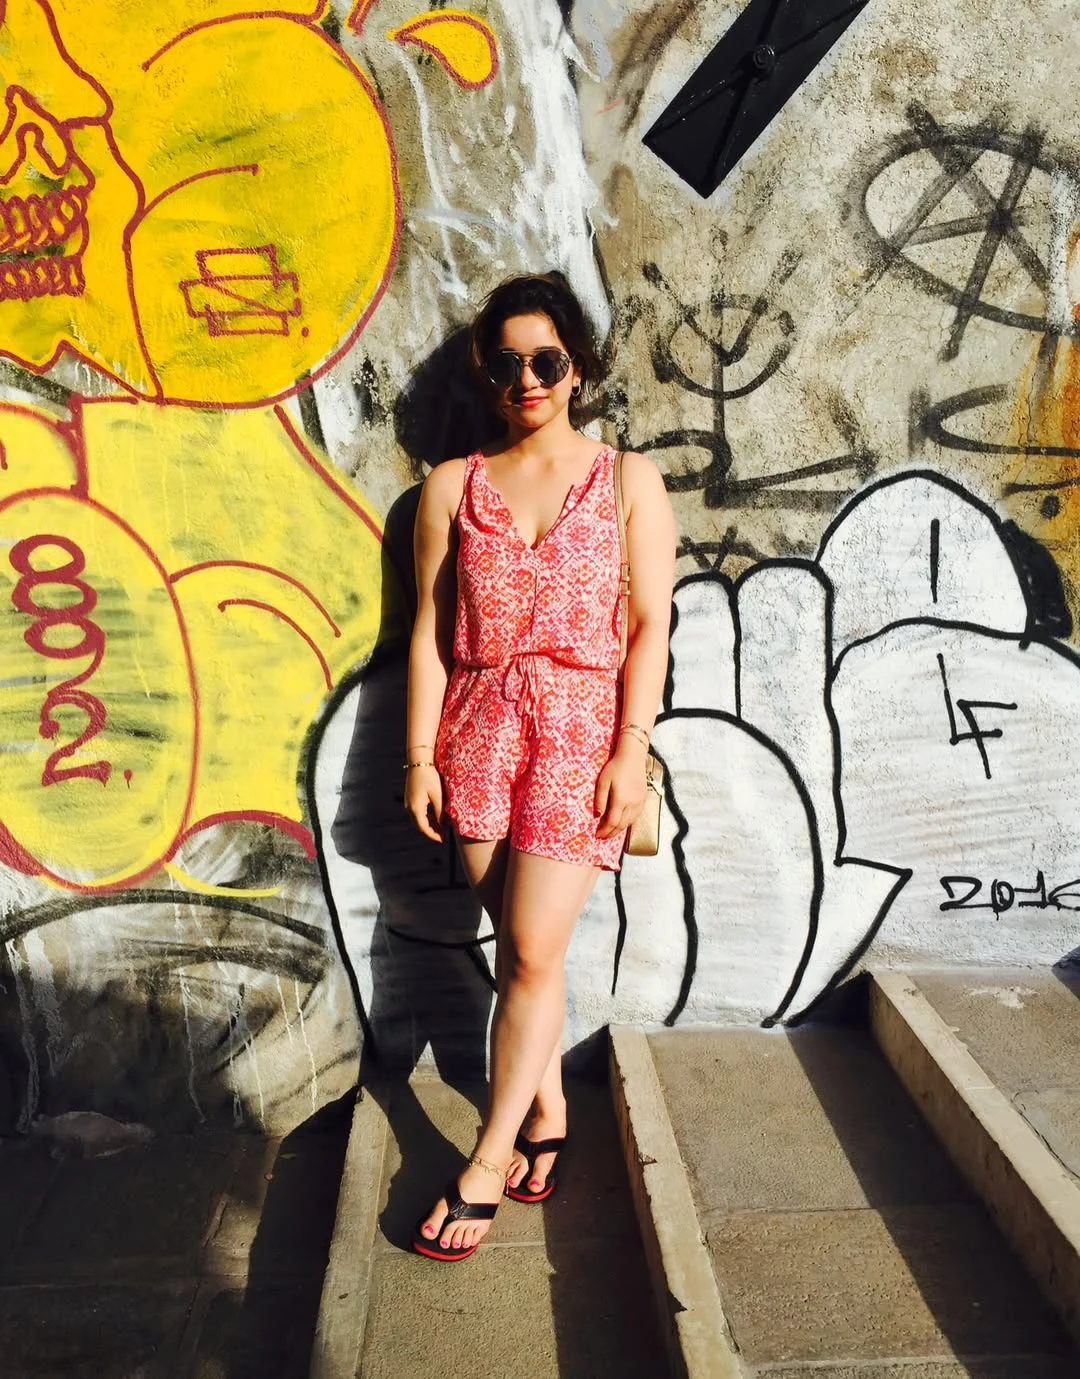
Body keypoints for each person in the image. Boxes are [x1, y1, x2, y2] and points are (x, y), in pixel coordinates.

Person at [405, 271, 677, 1260]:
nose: (528, 378)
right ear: (489, 373)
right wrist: (419, 756)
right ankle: (550, 1105)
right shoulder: (451, 486)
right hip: (477, 734)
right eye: (508, 362)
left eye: (547, 359)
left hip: (578, 734)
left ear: (578, 369)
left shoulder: (628, 480)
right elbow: (432, 632)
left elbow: (650, 626)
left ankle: (487, 1159)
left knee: (526, 951)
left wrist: (631, 750)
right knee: (526, 952)